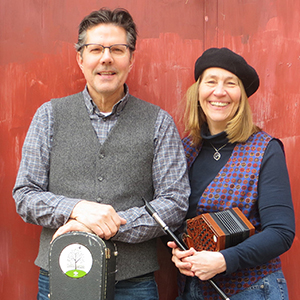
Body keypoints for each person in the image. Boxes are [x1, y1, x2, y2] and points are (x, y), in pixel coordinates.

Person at [13, 8, 190, 300]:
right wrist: (77, 210)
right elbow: (25, 195)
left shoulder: (159, 122)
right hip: (61, 275)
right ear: (80, 58)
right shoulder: (49, 116)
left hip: (133, 284)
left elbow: (174, 203)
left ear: (131, 58)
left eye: (117, 49)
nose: (106, 58)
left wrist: (104, 226)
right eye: (95, 49)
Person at [168, 47, 295, 300]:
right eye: (211, 82)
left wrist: (225, 260)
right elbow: (172, 218)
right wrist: (178, 251)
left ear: (242, 96)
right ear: (198, 91)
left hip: (251, 290)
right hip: (192, 290)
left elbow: (281, 232)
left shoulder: (265, 150)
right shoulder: (183, 151)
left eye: (230, 83)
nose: (219, 92)